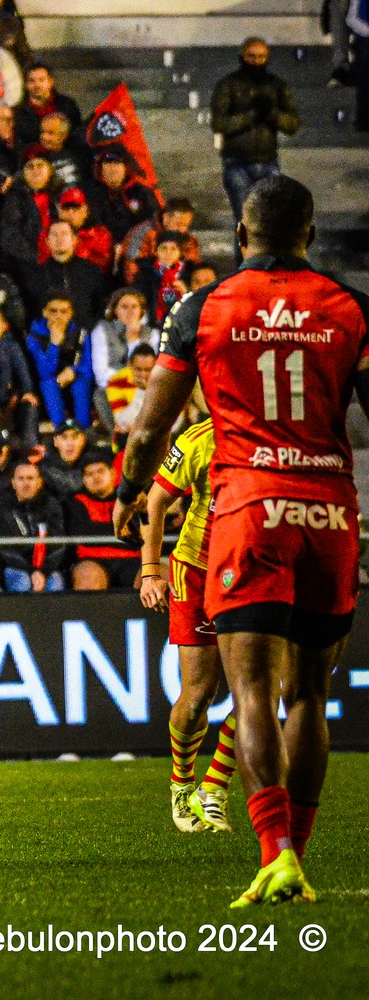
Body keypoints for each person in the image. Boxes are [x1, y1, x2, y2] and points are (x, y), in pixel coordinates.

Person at [115, 175, 368, 908]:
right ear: (312, 235)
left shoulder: (204, 307)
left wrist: (130, 495)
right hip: (326, 509)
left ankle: (275, 850)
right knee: (310, 697)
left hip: (248, 511)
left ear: (240, 235)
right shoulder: (351, 308)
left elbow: (148, 432)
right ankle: (301, 856)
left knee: (249, 688)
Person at [141, 411, 238, 834]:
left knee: (266, 687)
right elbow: (156, 499)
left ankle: (213, 788)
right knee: (199, 695)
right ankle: (182, 783)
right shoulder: (202, 437)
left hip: (253, 570)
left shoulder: (280, 434)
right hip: (197, 570)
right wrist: (150, 570)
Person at [207, 38, 299, 243]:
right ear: (242, 57)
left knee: (269, 221)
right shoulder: (228, 85)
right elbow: (219, 123)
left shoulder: (277, 86)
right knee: (245, 221)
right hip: (236, 162)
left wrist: (271, 114)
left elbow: (292, 124)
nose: (257, 61)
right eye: (252, 56)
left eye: (261, 57)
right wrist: (251, 115)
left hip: (268, 161)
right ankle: (245, 270)